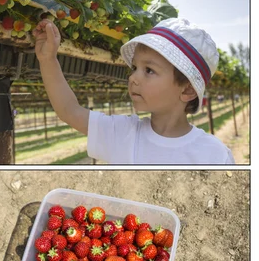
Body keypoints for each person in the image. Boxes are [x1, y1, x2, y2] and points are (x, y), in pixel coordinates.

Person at [33, 17, 234, 164]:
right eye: (134, 68)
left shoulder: (215, 155)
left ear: (188, 90)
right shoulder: (122, 133)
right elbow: (70, 111)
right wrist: (48, 59)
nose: (133, 78)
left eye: (149, 70)